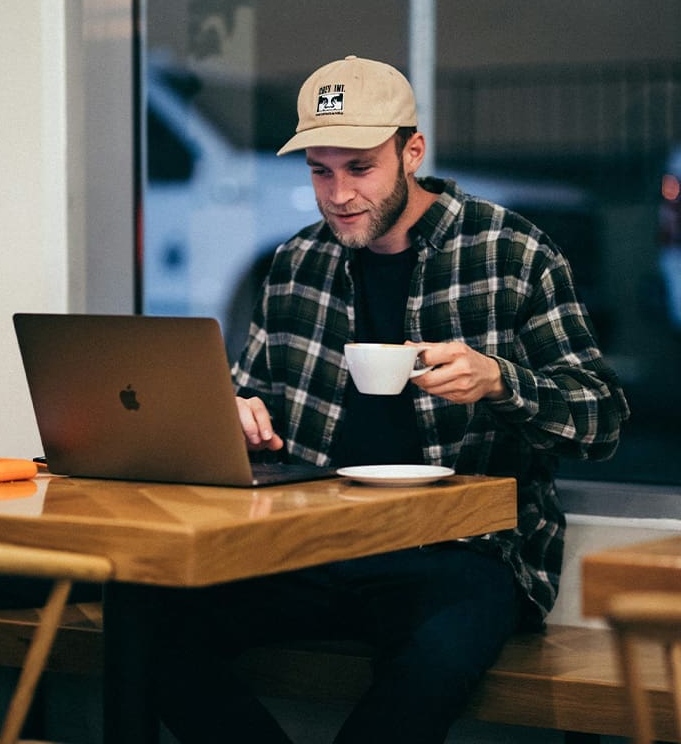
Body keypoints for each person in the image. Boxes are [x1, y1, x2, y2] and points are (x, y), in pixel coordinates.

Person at [146, 55, 630, 743]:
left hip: (459, 552)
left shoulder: (512, 253)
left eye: (360, 167)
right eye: (320, 170)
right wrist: (235, 412)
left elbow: (602, 419)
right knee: (144, 620)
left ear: (412, 152)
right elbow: (250, 391)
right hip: (309, 544)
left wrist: (500, 381)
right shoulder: (295, 264)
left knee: (430, 661)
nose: (338, 194)